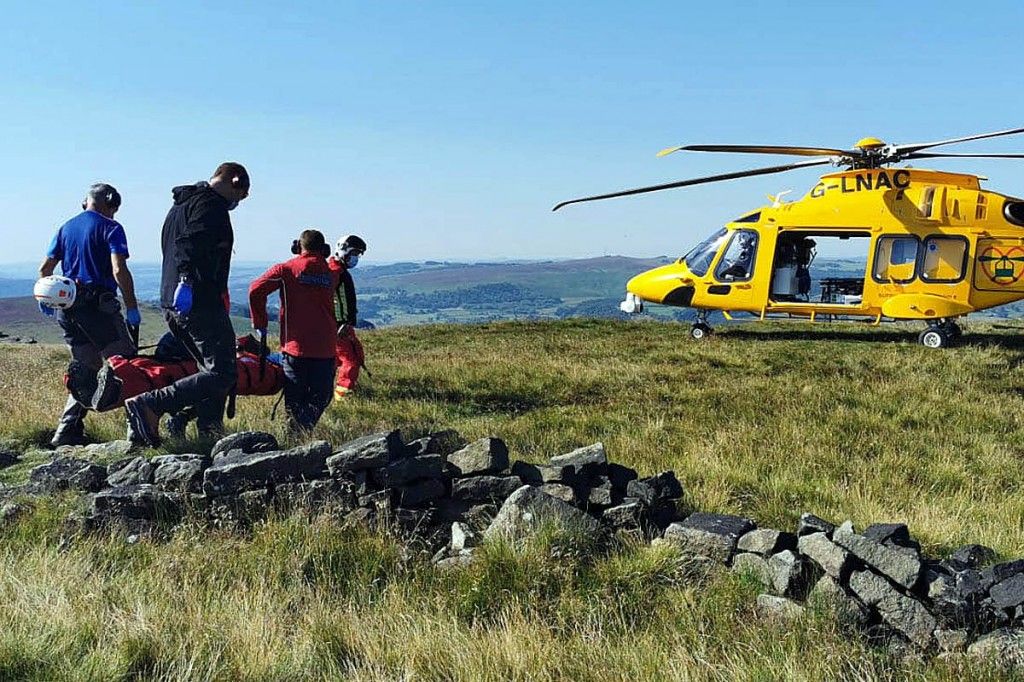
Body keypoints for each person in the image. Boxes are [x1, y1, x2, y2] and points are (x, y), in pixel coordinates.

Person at [124, 162, 250, 446]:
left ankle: (210, 434)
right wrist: (188, 281)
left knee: (208, 369)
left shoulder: (181, 205)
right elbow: (187, 246)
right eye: (240, 195)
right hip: (199, 300)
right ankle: (151, 405)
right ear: (234, 180)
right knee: (223, 371)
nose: (236, 203)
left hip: (173, 301)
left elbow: (174, 245)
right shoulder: (210, 205)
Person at [39, 183, 140, 447]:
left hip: (69, 309)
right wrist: (131, 307)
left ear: (86, 202)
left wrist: (45, 297)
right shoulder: (111, 228)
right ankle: (138, 429)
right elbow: (119, 270)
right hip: (99, 308)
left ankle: (66, 430)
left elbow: (46, 268)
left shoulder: (65, 228)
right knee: (126, 364)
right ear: (110, 202)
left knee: (86, 370)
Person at [248, 229, 340, 432]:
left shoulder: (286, 269)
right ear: (324, 249)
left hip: (295, 348)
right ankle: (303, 431)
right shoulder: (331, 273)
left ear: (298, 247)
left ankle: (293, 436)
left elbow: (255, 289)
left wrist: (260, 323)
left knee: (294, 401)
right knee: (321, 397)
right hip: (325, 348)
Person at [329, 235, 367, 401]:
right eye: (355, 253)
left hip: (339, 325)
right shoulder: (336, 273)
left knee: (335, 359)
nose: (356, 258)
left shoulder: (337, 271)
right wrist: (341, 323)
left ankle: (326, 391)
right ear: (344, 251)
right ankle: (343, 397)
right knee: (351, 360)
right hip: (338, 327)